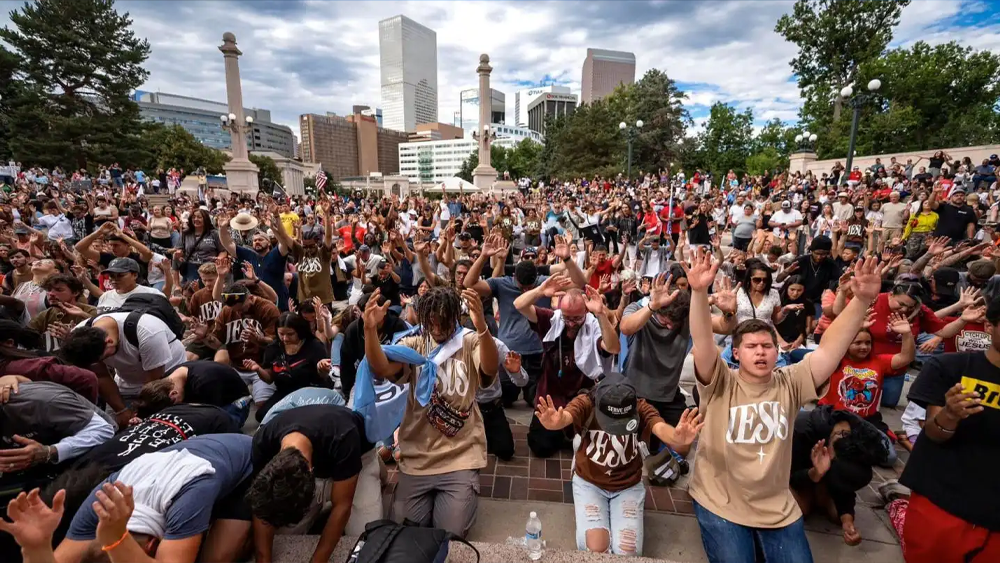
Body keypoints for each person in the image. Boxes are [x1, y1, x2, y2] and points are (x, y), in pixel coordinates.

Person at [685, 250, 882, 563]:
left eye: (767, 346)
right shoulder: (721, 380)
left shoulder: (791, 381)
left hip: (776, 505)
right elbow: (703, 341)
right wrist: (698, 292)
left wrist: (861, 301)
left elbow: (830, 348)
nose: (761, 352)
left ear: (777, 352)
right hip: (719, 500)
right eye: (751, 347)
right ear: (736, 353)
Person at [362, 286, 498, 538]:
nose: (436, 330)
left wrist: (482, 327)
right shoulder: (414, 342)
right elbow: (381, 367)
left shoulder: (469, 341)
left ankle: (465, 492)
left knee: (449, 534)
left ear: (456, 317)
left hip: (460, 455)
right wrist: (370, 330)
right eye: (431, 323)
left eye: (443, 323)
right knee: (405, 532)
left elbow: (490, 367)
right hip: (418, 458)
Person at [534, 373, 703, 556]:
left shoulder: (640, 406)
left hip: (628, 485)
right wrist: (557, 422)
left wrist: (676, 437)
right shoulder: (586, 401)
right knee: (596, 550)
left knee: (627, 552)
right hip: (589, 482)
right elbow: (568, 414)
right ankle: (578, 455)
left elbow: (659, 426)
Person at [896, 295, 1000, 563]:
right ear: (989, 326)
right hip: (943, 506)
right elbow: (933, 432)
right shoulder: (951, 367)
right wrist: (950, 415)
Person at [49, 434, 254, 563]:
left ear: (152, 545)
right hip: (198, 451)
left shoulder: (187, 502)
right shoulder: (101, 501)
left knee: (216, 559)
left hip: (248, 459)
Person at [248, 404, 382, 563]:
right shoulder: (263, 442)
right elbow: (263, 507)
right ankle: (324, 499)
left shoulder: (343, 435)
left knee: (364, 537)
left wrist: (317, 561)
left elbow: (342, 506)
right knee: (284, 534)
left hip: (358, 456)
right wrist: (263, 559)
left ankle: (377, 465)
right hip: (321, 461)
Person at [513, 277, 620, 458]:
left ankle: (569, 433)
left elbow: (613, 347)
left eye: (577, 318)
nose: (571, 323)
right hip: (550, 397)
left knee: (594, 449)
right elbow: (519, 305)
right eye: (567, 318)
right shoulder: (553, 320)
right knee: (540, 446)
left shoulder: (594, 326)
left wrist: (601, 314)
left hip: (582, 399)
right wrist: (540, 291)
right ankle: (564, 434)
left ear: (586, 312)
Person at [61, 305, 188, 428]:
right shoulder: (79, 336)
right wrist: (121, 410)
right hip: (127, 380)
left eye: (103, 358)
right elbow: (101, 375)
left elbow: (154, 382)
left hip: (167, 377)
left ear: (109, 341)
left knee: (154, 424)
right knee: (113, 426)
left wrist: (139, 414)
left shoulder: (148, 331)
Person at [818, 313, 917, 466]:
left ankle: (853, 448)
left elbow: (906, 357)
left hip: (866, 421)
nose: (864, 347)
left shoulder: (879, 361)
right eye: (857, 343)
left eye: (867, 343)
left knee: (889, 458)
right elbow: (827, 343)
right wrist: (853, 327)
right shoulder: (835, 358)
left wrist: (906, 334)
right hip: (835, 418)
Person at [789, 406, 889, 547]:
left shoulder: (859, 438)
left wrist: (847, 523)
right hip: (788, 471)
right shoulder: (801, 431)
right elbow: (789, 477)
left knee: (838, 515)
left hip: (823, 471)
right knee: (800, 509)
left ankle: (819, 492)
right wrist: (814, 474)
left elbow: (846, 487)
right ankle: (816, 491)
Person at [243, 311, 330, 422]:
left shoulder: (313, 346)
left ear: (300, 331)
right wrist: (258, 369)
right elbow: (269, 379)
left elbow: (323, 376)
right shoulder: (274, 348)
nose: (285, 338)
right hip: (285, 392)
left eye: (290, 334)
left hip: (311, 391)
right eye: (281, 334)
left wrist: (321, 368)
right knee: (262, 415)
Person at [133, 361, 253, 428]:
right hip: (204, 398)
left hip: (231, 403)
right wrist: (140, 418)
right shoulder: (166, 380)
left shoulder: (205, 382)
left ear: (173, 394)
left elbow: (211, 416)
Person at [93, 257, 163, 312]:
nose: (114, 279)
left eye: (120, 275)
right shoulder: (105, 296)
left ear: (135, 275)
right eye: (112, 276)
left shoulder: (152, 294)